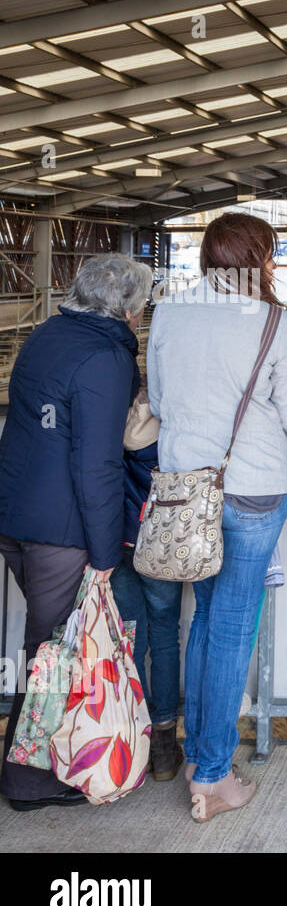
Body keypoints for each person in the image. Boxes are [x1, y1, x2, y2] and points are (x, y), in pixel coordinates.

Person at [150, 212, 287, 822]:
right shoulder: (273, 320)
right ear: (258, 258)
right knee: (234, 630)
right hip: (251, 491)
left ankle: (198, 757)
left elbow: (160, 403)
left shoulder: (168, 312)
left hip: (187, 491)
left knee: (208, 619)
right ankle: (212, 777)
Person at [0, 254, 150, 811]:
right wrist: (106, 552)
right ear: (130, 310)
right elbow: (96, 464)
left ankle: (47, 763)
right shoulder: (106, 358)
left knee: (46, 648)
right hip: (59, 530)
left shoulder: (46, 335)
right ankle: (30, 781)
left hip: (16, 514)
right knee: (51, 654)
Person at [111, 383, 185, 782]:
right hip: (161, 546)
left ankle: (131, 741)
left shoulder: (108, 420)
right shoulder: (173, 430)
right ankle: (164, 749)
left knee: (130, 639)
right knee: (165, 636)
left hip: (117, 543)